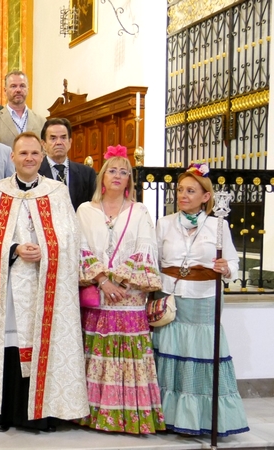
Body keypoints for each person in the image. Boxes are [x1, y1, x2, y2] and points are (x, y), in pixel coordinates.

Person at [0, 132, 88, 433]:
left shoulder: (57, 192)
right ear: (12, 158)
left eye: (34, 153)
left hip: (44, 285)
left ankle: (40, 414)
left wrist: (46, 249)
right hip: (5, 287)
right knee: (7, 346)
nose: (29, 158)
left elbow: (71, 240)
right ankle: (1, 413)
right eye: (23, 153)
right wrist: (14, 249)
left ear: (42, 157)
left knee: (41, 344)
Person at [154, 164, 249, 437]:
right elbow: (154, 260)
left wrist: (225, 268)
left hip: (204, 298)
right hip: (171, 297)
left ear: (205, 197)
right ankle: (168, 415)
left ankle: (200, 418)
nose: (183, 195)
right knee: (170, 353)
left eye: (191, 191)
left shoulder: (218, 225)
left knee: (199, 356)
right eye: (181, 190)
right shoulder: (165, 223)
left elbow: (233, 263)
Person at [76, 146, 164, 434]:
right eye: (112, 170)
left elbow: (145, 247)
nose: (118, 175)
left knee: (129, 357)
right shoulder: (85, 210)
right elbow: (81, 249)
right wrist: (103, 280)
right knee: (96, 354)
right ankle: (94, 415)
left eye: (124, 172)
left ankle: (131, 418)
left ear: (130, 180)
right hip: (98, 291)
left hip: (129, 295)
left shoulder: (140, 211)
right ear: (102, 176)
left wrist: (122, 282)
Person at [39, 118, 96, 210]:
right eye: (53, 138)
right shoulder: (35, 173)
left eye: (63, 137)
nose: (59, 142)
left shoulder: (87, 174)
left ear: (70, 142)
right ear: (43, 144)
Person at [0, 71, 46, 148]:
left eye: (22, 86)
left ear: (28, 89)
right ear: (5, 90)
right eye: (13, 86)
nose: (18, 90)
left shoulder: (41, 121)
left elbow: (46, 150)